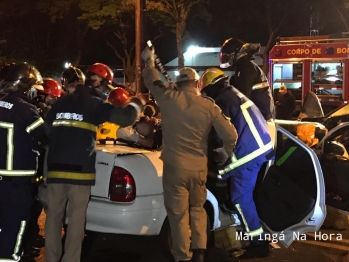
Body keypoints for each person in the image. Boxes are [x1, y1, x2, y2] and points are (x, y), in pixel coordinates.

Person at [141, 46, 238, 262]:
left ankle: (182, 256)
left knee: (178, 215)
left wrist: (149, 61)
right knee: (198, 209)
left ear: (179, 83)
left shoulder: (168, 99)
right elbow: (231, 133)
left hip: (175, 168)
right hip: (199, 167)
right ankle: (200, 251)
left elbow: (151, 79)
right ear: (197, 84)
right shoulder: (208, 106)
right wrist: (225, 152)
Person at [199, 68, 274, 258]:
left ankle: (258, 243)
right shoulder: (232, 94)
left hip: (247, 153)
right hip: (258, 149)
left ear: (210, 88)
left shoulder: (223, 101)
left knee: (240, 197)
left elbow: (220, 132)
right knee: (238, 192)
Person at [0, 62, 46, 261]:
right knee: (15, 227)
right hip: (16, 183)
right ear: (25, 86)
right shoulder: (26, 110)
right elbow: (44, 136)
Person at [220, 38, 274, 121]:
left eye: (227, 56)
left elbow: (242, 96)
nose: (226, 59)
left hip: (259, 117)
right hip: (260, 115)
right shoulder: (244, 66)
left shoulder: (245, 67)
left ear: (235, 53)